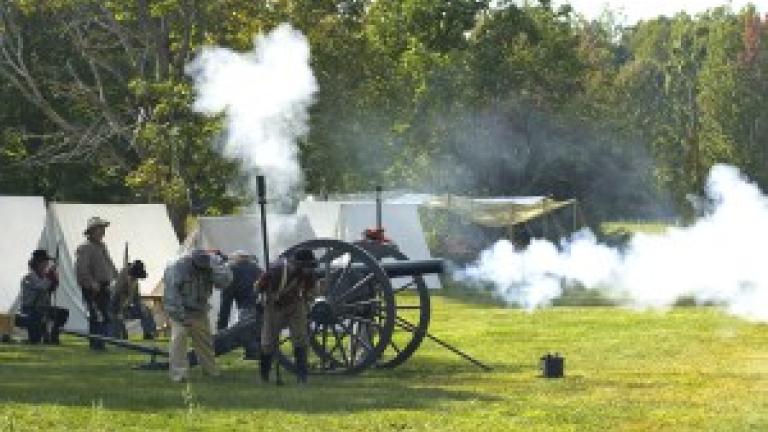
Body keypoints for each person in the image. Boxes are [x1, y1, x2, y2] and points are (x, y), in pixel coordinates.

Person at [163, 249, 232, 383]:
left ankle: (211, 371)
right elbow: (172, 298)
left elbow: (224, 283)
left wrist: (219, 267)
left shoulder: (211, 264)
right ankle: (179, 375)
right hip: (180, 309)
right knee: (179, 340)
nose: (201, 271)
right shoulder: (176, 268)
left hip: (199, 310)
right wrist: (183, 318)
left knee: (205, 342)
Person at [257, 248, 318, 384]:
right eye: (307, 267)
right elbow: (259, 287)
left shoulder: (308, 274)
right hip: (274, 306)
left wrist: (308, 299)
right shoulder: (277, 270)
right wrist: (271, 293)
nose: (309, 270)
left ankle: (302, 377)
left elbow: (311, 290)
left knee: (301, 338)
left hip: (296, 304)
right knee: (268, 342)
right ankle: (264, 376)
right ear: (298, 264)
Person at [75, 216, 118, 350]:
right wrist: (91, 283)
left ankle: (101, 343)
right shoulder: (84, 247)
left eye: (103, 228)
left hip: (104, 286)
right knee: (96, 315)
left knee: (104, 315)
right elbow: (81, 269)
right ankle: (95, 344)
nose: (103, 231)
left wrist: (116, 276)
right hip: (93, 288)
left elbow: (109, 265)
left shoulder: (102, 246)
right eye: (100, 228)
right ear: (92, 230)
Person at [20, 249, 67, 344]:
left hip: (42, 309)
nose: (47, 264)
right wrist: (50, 275)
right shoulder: (29, 277)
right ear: (37, 263)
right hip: (30, 310)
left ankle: (53, 337)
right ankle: (41, 335)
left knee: (62, 313)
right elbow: (42, 286)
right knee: (35, 339)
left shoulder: (44, 276)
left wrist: (54, 279)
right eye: (45, 261)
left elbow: (50, 288)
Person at [108, 260, 157, 340]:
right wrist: (119, 311)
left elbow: (136, 297)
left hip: (127, 307)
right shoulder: (121, 280)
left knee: (146, 311)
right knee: (116, 323)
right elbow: (115, 297)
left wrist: (141, 306)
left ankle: (149, 333)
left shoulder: (134, 282)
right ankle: (116, 337)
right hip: (116, 308)